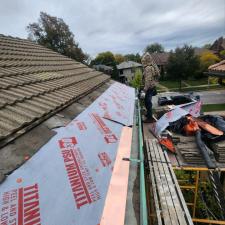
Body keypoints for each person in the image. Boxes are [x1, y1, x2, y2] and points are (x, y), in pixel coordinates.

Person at [141, 53, 160, 123]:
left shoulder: (148, 68)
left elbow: (148, 80)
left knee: (148, 102)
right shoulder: (151, 66)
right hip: (152, 87)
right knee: (147, 102)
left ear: (145, 61)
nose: (142, 62)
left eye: (143, 61)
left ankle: (150, 118)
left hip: (149, 88)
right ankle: (149, 114)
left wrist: (144, 90)